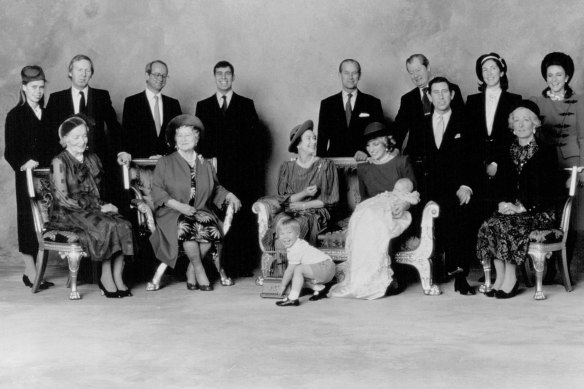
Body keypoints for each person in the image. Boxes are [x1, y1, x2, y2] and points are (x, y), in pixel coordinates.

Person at [148, 114, 242, 291]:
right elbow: (157, 190)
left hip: (200, 210)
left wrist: (230, 195)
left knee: (211, 228)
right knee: (187, 227)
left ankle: (191, 269)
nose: (184, 139)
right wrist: (180, 206)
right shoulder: (165, 162)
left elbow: (215, 188)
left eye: (188, 135)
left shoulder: (205, 164)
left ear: (196, 138)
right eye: (179, 135)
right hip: (173, 213)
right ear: (174, 139)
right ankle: (199, 270)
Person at [477, 102, 560, 299]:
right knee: (491, 223)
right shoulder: (506, 152)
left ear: (534, 124)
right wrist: (502, 203)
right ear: (512, 126)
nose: (521, 125)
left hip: (538, 211)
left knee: (508, 224)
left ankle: (511, 279)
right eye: (516, 120)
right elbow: (499, 185)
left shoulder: (546, 152)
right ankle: (500, 278)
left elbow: (549, 190)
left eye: (526, 120)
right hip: (511, 209)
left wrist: (521, 207)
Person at [46, 115, 135, 298]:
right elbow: (63, 199)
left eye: (84, 136)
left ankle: (118, 276)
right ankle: (105, 276)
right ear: (65, 139)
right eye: (76, 137)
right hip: (67, 212)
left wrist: (106, 206)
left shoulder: (92, 158)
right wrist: (98, 208)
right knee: (106, 225)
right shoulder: (59, 162)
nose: (82, 141)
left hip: (93, 207)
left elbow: (98, 191)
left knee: (124, 224)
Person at [329, 122, 419, 300]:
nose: (371, 149)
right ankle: (365, 281)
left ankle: (388, 278)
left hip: (398, 213)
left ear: (387, 142)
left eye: (376, 143)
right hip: (373, 214)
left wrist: (404, 205)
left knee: (381, 226)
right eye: (368, 144)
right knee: (368, 223)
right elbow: (364, 201)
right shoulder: (364, 168)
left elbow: (413, 192)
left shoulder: (402, 162)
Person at [405, 77, 478, 295]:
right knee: (434, 210)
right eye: (435, 92)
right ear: (429, 97)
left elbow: (475, 158)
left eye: (445, 92)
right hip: (428, 187)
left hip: (457, 187)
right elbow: (411, 158)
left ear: (452, 94)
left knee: (462, 210)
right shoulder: (419, 124)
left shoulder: (466, 122)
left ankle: (460, 274)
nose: (441, 96)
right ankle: (440, 269)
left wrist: (467, 185)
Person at [196, 60, 263, 278]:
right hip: (215, 174)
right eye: (219, 74)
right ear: (214, 77)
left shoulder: (246, 104)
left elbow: (256, 143)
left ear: (233, 77)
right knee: (216, 215)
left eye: (227, 74)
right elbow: (201, 144)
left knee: (241, 218)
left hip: (242, 174)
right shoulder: (203, 106)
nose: (224, 78)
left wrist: (250, 173)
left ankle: (240, 266)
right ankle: (215, 266)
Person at [44, 54, 126, 205]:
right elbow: (48, 133)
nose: (83, 74)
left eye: (87, 71)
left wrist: (121, 151)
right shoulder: (56, 99)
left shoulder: (102, 96)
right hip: (68, 165)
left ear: (91, 73)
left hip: (98, 164)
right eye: (79, 70)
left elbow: (114, 127)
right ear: (70, 72)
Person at [531, 52, 584, 281]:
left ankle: (566, 270)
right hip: (547, 166)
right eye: (550, 75)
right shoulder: (536, 101)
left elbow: (583, 138)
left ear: (568, 76)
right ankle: (548, 268)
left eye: (559, 74)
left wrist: (582, 167)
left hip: (573, 165)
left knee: (571, 218)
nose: (554, 79)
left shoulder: (580, 101)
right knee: (549, 215)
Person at [4, 65, 54, 290]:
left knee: (46, 220)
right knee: (28, 221)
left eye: (41, 87)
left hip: (48, 176)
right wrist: (25, 163)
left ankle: (36, 269)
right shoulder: (15, 115)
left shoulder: (49, 114)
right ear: (24, 88)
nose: (38, 91)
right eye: (34, 87)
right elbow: (10, 151)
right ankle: (30, 270)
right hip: (27, 176)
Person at [261, 120, 339, 250]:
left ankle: (295, 265)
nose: (314, 142)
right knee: (280, 224)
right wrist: (305, 193)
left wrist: (303, 205)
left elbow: (329, 200)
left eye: (314, 138)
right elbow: (285, 199)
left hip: (315, 213)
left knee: (295, 226)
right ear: (298, 144)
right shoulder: (287, 168)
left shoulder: (326, 165)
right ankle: (281, 265)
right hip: (291, 211)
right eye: (308, 138)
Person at [465, 53, 522, 222]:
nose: (489, 73)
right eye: (484, 69)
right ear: (480, 75)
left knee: (501, 213)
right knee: (477, 213)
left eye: (493, 68)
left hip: (504, 164)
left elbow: (514, 137)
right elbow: (469, 137)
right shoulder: (472, 101)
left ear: (502, 72)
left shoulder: (514, 100)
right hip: (478, 164)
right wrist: (482, 163)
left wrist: (497, 163)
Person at [395, 54, 465, 151]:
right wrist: (394, 149)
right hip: (417, 154)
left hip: (448, 150)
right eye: (411, 72)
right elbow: (399, 129)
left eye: (418, 70)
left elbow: (461, 121)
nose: (415, 75)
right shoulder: (407, 99)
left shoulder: (451, 89)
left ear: (428, 67)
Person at [316, 59, 383, 159]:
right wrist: (320, 166)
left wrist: (365, 151)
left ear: (359, 75)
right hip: (335, 163)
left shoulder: (373, 103)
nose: (350, 77)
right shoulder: (327, 104)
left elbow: (379, 136)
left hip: (365, 161)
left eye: (354, 73)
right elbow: (322, 139)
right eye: (346, 73)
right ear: (340, 75)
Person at [122, 60, 182, 159]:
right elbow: (126, 136)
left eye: (164, 75)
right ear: (147, 75)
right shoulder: (132, 102)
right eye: (157, 74)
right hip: (140, 165)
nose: (161, 79)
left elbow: (178, 137)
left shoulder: (173, 104)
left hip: (168, 164)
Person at [275, 217, 336, 307]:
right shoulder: (298, 243)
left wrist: (283, 285)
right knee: (297, 276)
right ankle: (320, 289)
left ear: (297, 234)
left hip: (324, 267)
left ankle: (293, 298)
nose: (285, 237)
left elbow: (289, 271)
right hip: (327, 268)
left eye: (289, 233)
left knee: (297, 270)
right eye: (282, 234)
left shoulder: (296, 249)